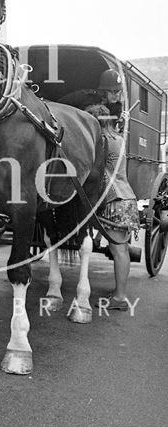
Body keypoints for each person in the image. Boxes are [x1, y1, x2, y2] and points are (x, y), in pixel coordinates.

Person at [59, 69, 138, 310]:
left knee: (118, 247)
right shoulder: (118, 138)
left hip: (113, 199)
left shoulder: (100, 143)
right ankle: (119, 294)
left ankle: (120, 299)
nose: (117, 96)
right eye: (113, 92)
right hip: (125, 197)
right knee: (120, 248)